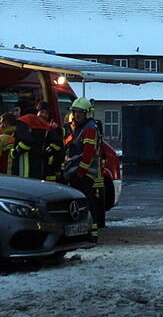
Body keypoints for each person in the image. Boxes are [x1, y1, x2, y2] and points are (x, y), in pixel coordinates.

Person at [62, 97, 104, 238]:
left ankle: (91, 233)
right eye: (75, 112)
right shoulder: (80, 129)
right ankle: (84, 232)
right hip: (77, 172)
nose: (77, 115)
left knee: (87, 202)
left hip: (84, 174)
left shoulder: (90, 129)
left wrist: (81, 171)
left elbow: (89, 153)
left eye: (80, 112)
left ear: (87, 113)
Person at [13, 99, 53, 179]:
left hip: (24, 168)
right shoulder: (44, 124)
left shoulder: (22, 121)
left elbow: (27, 141)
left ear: (22, 109)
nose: (14, 114)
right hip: (38, 167)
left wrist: (15, 151)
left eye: (17, 110)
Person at [36, 101, 64, 182]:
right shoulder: (31, 127)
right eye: (42, 112)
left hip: (49, 168)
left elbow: (58, 147)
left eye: (46, 113)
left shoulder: (51, 129)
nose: (44, 115)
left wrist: (45, 153)